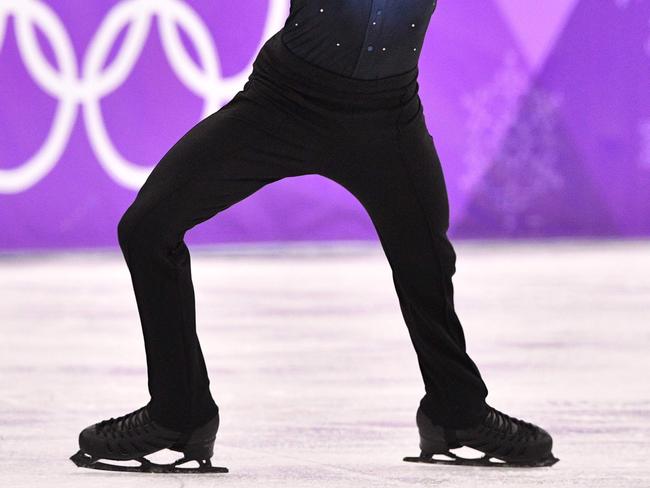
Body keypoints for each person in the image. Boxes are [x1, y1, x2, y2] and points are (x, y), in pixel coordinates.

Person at [69, 1, 558, 473]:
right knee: (146, 229)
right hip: (284, 102)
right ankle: (179, 414)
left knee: (426, 262)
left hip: (387, 118)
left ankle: (457, 413)